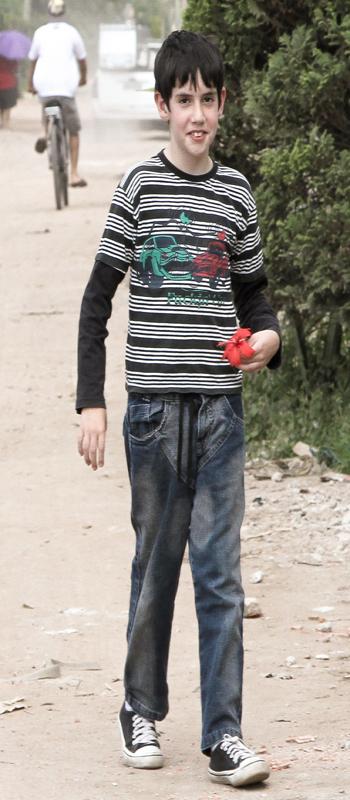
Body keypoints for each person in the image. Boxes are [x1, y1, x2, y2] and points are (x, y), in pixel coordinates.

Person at [76, 30, 281, 788]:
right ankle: (139, 710)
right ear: (163, 106)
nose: (197, 114)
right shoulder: (139, 189)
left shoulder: (237, 195)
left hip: (223, 415)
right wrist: (90, 402)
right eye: (183, 100)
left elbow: (255, 296)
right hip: (154, 416)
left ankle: (224, 735)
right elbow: (97, 302)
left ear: (223, 104)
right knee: (156, 567)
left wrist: (268, 340)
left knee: (221, 577)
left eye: (209, 99)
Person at [27, 0, 87, 187]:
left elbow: (33, 61)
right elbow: (82, 60)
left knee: (47, 105)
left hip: (44, 86)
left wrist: (30, 84)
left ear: (48, 13)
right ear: (64, 13)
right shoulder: (72, 32)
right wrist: (83, 78)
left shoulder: (39, 32)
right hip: (66, 88)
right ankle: (74, 174)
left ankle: (47, 135)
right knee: (74, 131)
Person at [0, 56, 18, 128]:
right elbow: (15, 68)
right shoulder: (11, 56)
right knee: (7, 104)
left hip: (5, 82)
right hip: (9, 83)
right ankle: (6, 122)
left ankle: (1, 121)